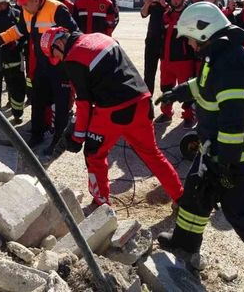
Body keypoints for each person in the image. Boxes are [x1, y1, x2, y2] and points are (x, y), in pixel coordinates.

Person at [154, 2, 244, 291]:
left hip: (234, 156)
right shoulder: (218, 56)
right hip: (214, 148)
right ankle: (185, 241)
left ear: (204, 33)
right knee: (196, 191)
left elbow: (233, 123)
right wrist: (178, 92)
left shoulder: (231, 64)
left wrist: (224, 164)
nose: (190, 45)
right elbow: (205, 85)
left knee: (240, 214)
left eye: (190, 38)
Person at [39, 27, 183, 207]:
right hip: (142, 100)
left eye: (55, 55)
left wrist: (77, 137)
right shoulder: (100, 37)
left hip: (114, 110)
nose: (59, 60)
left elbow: (83, 104)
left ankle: (101, 205)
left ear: (59, 43)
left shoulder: (73, 58)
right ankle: (181, 198)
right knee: (152, 154)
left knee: (94, 154)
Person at [0, 0, 79, 155]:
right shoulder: (28, 10)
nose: (24, 9)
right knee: (38, 100)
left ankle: (58, 140)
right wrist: (0, 40)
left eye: (26, 5)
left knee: (61, 104)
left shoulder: (57, 9)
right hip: (41, 65)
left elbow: (75, 34)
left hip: (60, 67)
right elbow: (19, 30)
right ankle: (37, 134)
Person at [153, 0, 195, 129]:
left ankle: (189, 116)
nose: (175, 0)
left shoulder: (190, 15)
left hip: (184, 61)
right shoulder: (166, 15)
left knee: (187, 91)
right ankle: (166, 113)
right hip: (166, 60)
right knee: (166, 87)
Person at [140, 0, 173, 94]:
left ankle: (166, 104)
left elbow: (175, 14)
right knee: (148, 73)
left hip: (167, 41)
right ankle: (147, 104)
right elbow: (143, 14)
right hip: (152, 40)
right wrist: (148, 4)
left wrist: (163, 3)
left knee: (166, 76)